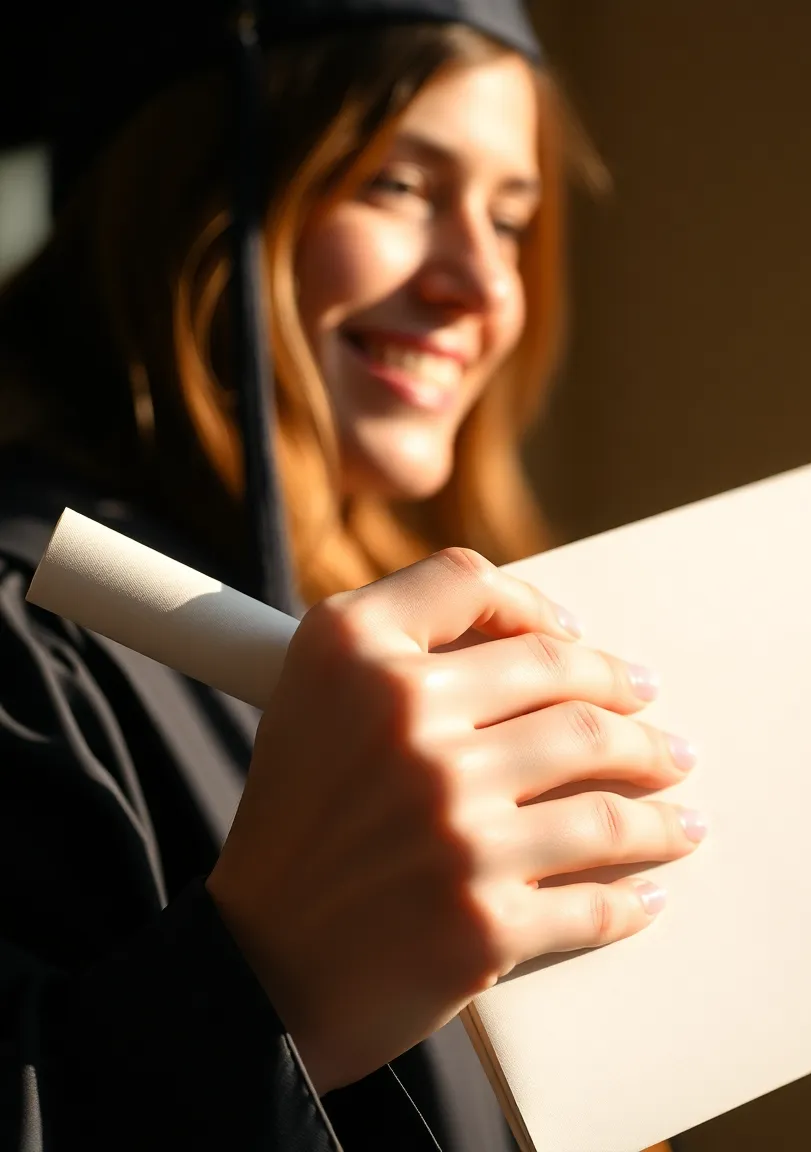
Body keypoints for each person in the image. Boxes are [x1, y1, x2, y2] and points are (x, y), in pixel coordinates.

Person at [0, 1, 705, 1148]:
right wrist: (262, 984)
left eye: (511, 217)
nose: (479, 286)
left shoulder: (463, 653)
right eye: (396, 185)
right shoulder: (28, 632)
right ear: (190, 191)